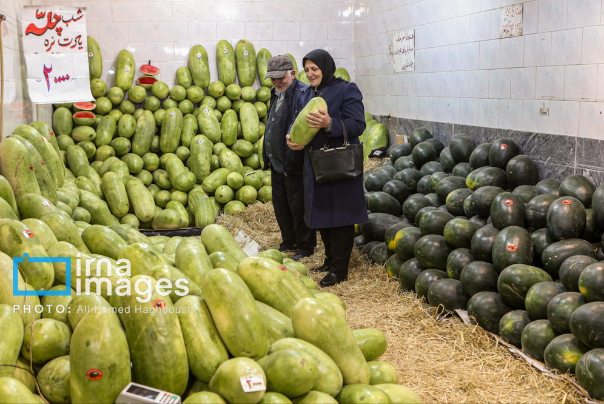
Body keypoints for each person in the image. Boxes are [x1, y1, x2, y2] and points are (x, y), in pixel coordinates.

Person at [287, 49, 368, 287]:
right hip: (315, 163)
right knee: (322, 213)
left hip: (339, 164)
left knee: (340, 216)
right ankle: (329, 259)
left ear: (326, 67)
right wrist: (293, 138)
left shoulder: (346, 89)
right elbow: (302, 124)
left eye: (315, 69)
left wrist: (330, 123)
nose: (310, 74)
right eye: (307, 69)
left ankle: (339, 270)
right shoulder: (308, 94)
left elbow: (358, 124)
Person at [262, 55, 316, 261]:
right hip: (277, 162)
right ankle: (288, 242)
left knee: (298, 206)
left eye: (281, 78)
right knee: (281, 205)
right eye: (273, 79)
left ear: (292, 74)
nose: (277, 82)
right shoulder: (275, 94)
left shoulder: (303, 93)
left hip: (295, 162)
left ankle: (305, 246)